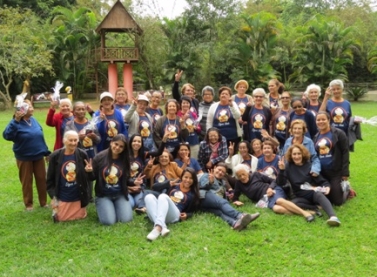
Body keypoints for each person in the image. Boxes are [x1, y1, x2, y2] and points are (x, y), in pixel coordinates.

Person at [277, 144, 342, 226]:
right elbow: (280, 183)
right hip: (300, 196)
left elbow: (323, 182)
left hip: (313, 193)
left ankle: (333, 217)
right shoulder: (288, 167)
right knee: (293, 204)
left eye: (299, 154)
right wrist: (282, 171)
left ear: (303, 154)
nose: (297, 156)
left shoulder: (309, 166)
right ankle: (315, 208)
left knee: (318, 195)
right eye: (294, 154)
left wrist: (327, 187)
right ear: (291, 155)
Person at [3, 100, 50, 211]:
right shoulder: (15, 122)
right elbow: (7, 136)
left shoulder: (33, 120)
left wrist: (46, 152)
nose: (32, 108)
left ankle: (43, 202)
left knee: (42, 179)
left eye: (31, 106)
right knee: (27, 181)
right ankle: (29, 204)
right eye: (29, 107)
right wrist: (16, 121)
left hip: (38, 156)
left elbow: (40, 137)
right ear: (21, 109)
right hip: (24, 157)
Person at [232, 164, 314, 221]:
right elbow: (235, 197)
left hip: (274, 190)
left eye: (243, 174)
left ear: (247, 172)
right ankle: (309, 212)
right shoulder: (238, 184)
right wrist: (236, 201)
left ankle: (305, 214)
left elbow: (273, 181)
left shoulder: (255, 175)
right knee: (276, 209)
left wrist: (270, 188)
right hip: (265, 199)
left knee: (279, 201)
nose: (242, 177)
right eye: (239, 176)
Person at [86, 134, 134, 225]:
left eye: (121, 146)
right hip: (104, 195)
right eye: (116, 144)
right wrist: (89, 171)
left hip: (120, 194)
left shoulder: (125, 159)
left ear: (124, 149)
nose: (117, 147)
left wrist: (134, 182)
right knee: (108, 222)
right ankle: (105, 207)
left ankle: (118, 206)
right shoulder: (99, 157)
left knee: (126, 219)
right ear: (111, 143)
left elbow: (126, 180)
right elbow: (92, 178)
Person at [199, 163, 260, 231]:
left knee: (220, 212)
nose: (220, 172)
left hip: (208, 206)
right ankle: (240, 216)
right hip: (204, 197)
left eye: (223, 172)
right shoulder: (207, 175)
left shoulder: (223, 182)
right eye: (219, 170)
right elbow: (202, 187)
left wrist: (232, 199)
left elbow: (222, 196)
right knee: (221, 202)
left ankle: (235, 223)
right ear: (215, 167)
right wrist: (210, 182)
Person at [145, 168, 200, 241]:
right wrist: (167, 184)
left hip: (174, 214)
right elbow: (154, 187)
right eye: (186, 177)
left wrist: (187, 215)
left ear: (194, 180)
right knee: (148, 197)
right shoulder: (174, 184)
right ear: (182, 177)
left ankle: (158, 227)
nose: (188, 180)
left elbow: (193, 210)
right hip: (161, 212)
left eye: (191, 178)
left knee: (163, 196)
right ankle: (163, 227)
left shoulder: (193, 193)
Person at [47, 131, 90, 222]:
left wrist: (89, 171)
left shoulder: (82, 154)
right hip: (63, 194)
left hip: (78, 194)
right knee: (61, 218)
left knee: (81, 216)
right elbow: (49, 179)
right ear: (64, 141)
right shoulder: (55, 156)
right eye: (70, 140)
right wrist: (53, 197)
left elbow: (90, 177)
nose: (73, 143)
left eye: (75, 140)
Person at [314, 111, 351, 205]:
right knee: (321, 197)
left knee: (337, 201)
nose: (320, 122)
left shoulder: (339, 134)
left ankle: (347, 190)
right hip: (322, 173)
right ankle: (334, 188)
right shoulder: (316, 137)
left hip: (335, 172)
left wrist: (345, 172)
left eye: (323, 119)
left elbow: (345, 153)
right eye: (318, 120)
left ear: (329, 120)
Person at [128, 132, 169, 210]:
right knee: (131, 204)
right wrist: (128, 187)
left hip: (139, 186)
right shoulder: (125, 155)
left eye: (139, 141)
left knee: (137, 204)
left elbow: (158, 152)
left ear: (141, 144)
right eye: (134, 141)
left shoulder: (143, 155)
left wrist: (164, 139)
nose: (136, 143)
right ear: (130, 142)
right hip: (128, 185)